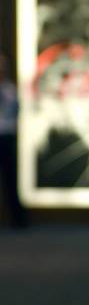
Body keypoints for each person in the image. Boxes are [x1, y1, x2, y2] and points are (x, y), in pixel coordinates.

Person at [0, 53, 28, 227]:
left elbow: (14, 111)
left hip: (6, 137)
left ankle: (18, 218)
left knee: (10, 179)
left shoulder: (10, 89)